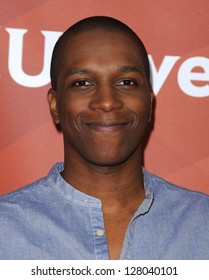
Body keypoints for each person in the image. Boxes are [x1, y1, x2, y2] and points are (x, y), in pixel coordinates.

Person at [0, 16, 209, 260]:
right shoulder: (6, 227)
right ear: (55, 105)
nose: (107, 102)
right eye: (82, 83)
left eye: (126, 82)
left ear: (149, 103)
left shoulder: (201, 221)